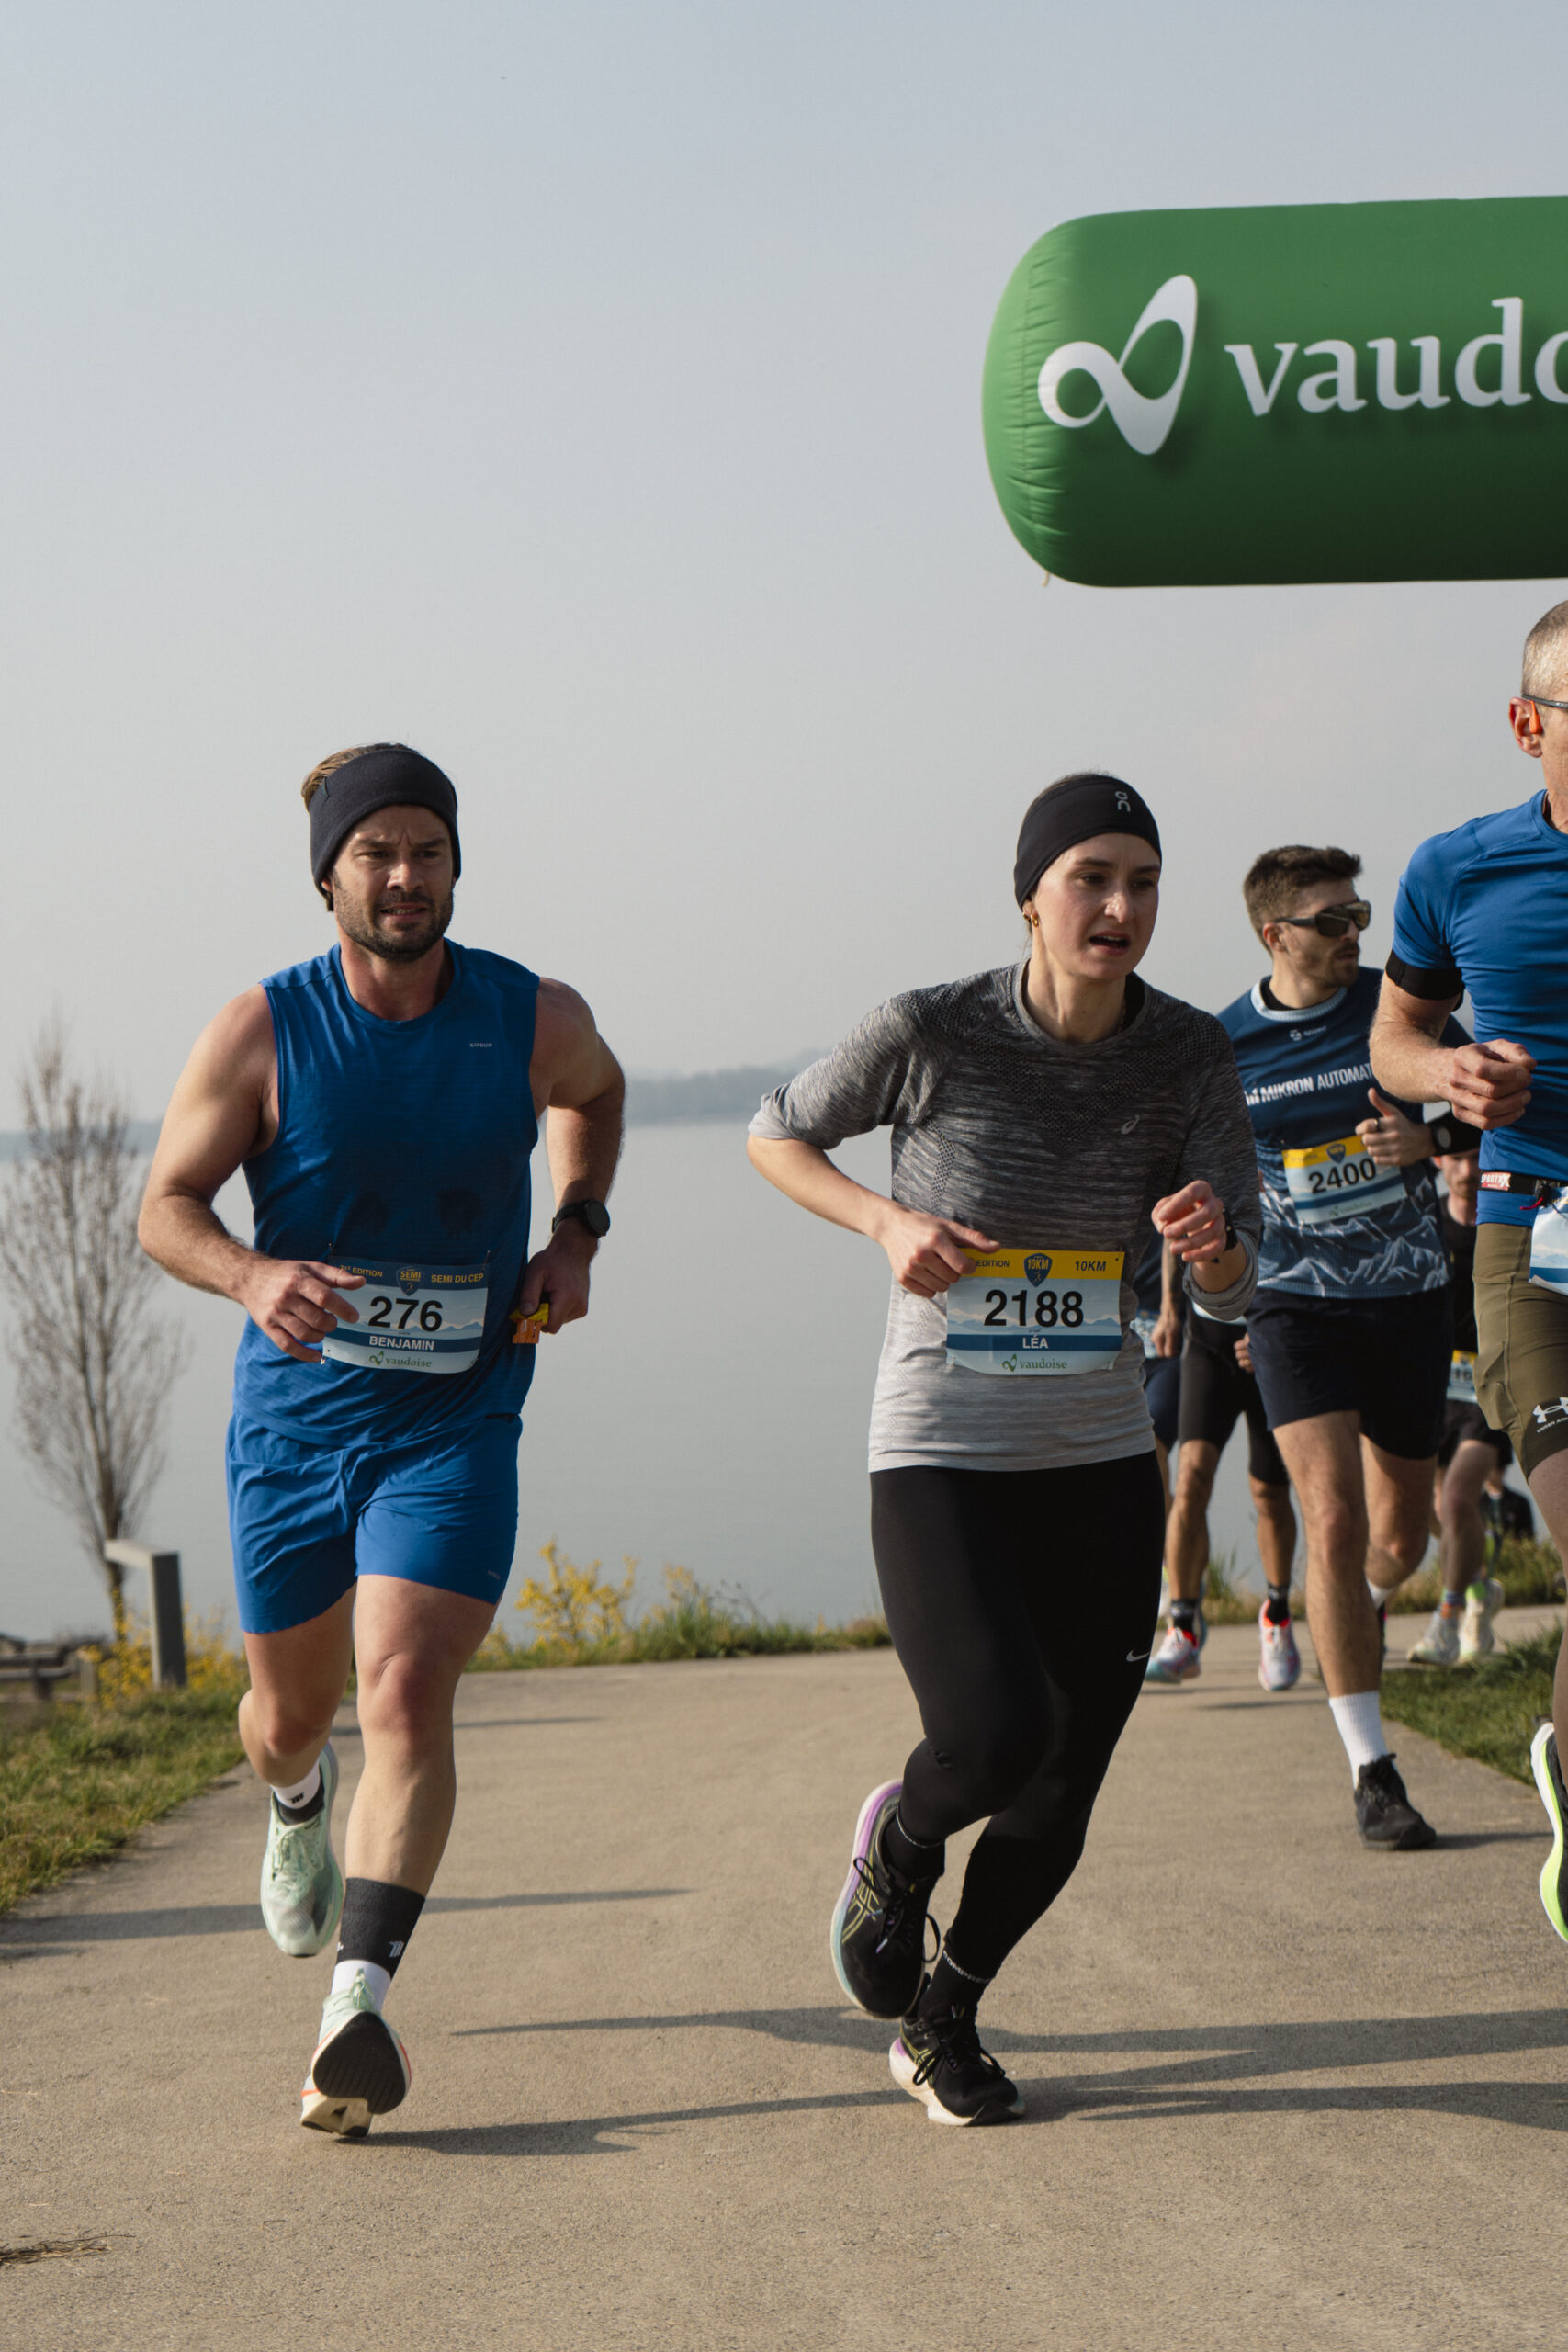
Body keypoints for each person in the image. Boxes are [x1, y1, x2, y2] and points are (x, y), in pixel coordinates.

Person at [747, 773, 1259, 2126]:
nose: (1119, 907)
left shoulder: (1189, 1052)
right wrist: (882, 1222)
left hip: (1097, 1453)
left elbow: (1235, 1290)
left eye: (1142, 882)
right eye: (1091, 878)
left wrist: (1213, 1247)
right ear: (1030, 895)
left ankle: (944, 2015)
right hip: (942, 1448)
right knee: (990, 1736)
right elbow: (775, 1132)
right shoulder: (930, 1029)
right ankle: (900, 1843)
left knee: (1067, 1775)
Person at [138, 743, 623, 2135]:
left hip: (456, 1415)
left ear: (456, 865)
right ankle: (297, 1798)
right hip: (296, 1429)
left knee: (405, 1688)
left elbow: (594, 1095)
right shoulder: (261, 1029)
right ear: (329, 878)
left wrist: (575, 1230)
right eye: (377, 853)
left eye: (428, 850)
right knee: (288, 1715)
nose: (406, 876)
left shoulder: (529, 1015)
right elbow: (164, 1208)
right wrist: (248, 1275)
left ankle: (355, 2005)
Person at [1370, 596, 1568, 1937]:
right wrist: (1450, 1075)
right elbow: (1393, 1038)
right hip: (1532, 1240)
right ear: (1525, 723)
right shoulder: (1458, 869)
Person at [1220, 844, 1477, 1850]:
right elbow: (1203, 1183)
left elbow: (1489, 1109)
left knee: (1398, 1543)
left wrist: (1431, 1142)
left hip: (1409, 1299)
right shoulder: (1225, 1045)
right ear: (1274, 935)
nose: (1354, 935)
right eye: (1331, 921)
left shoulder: (1395, 1011)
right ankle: (1373, 1770)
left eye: (1359, 915)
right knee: (1329, 1520)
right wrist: (1220, 1305)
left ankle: (1348, 1615)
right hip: (1294, 1310)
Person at [1144, 1309, 1299, 1690]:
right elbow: (1177, 1263)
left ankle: (1277, 1616)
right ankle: (1182, 1629)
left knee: (1269, 1492)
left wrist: (1277, 1327)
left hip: (1271, 1339)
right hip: (1208, 1343)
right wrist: (1170, 1307)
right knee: (1191, 1477)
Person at [1406, 1152, 1508, 1667]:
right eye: (1456, 1159)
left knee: (1457, 1496)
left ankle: (1446, 1622)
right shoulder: (1422, 1223)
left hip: (1492, 1385)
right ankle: (1479, 1589)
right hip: (1433, 1389)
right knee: (1432, 1511)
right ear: (1437, 1159)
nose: (1467, 1171)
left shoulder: (1505, 1221)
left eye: (1475, 1158)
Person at [1133, 1235, 1184, 1511]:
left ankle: (1161, 1537)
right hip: (1116, 1348)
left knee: (1151, 1446)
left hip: (1171, 1350)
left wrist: (1171, 1305)